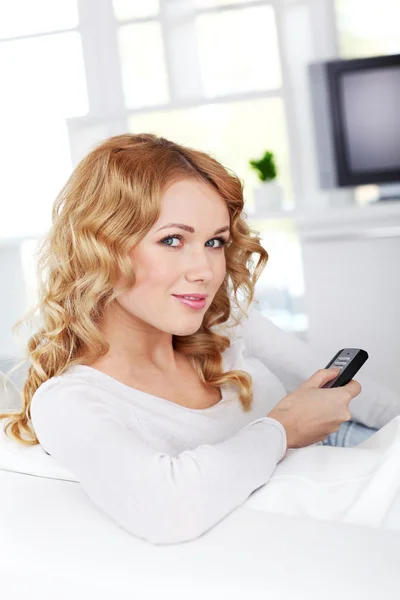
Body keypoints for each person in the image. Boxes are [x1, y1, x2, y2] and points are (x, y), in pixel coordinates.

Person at [1, 133, 399, 545]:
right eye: (172, 240)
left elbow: (367, 402)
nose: (206, 270)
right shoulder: (70, 400)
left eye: (215, 242)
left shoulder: (225, 325)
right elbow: (165, 508)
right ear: (102, 248)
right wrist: (283, 428)